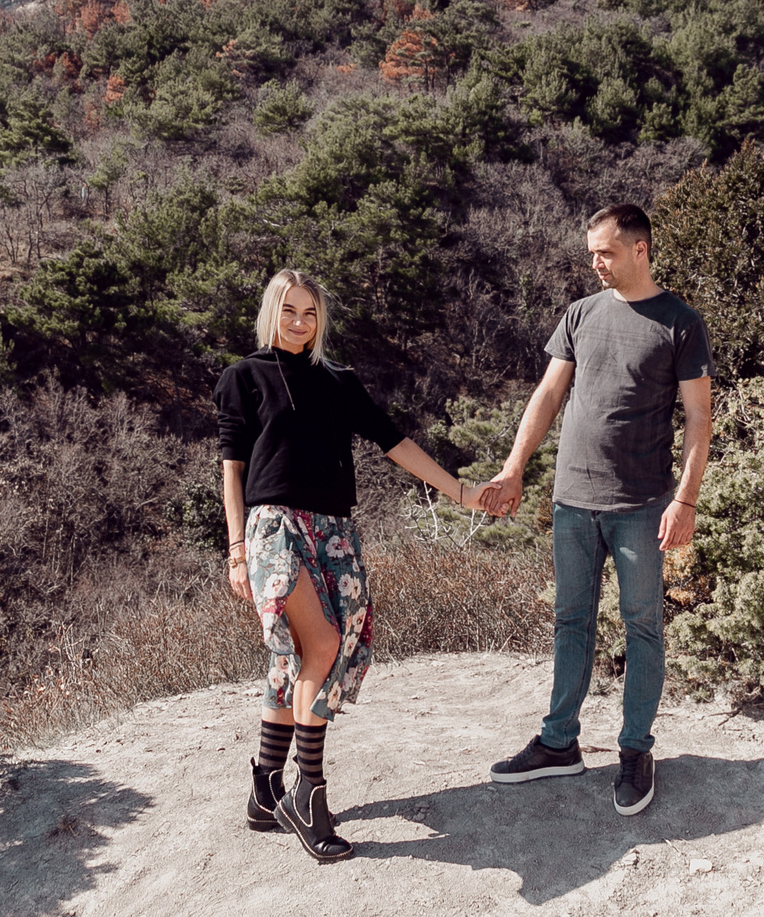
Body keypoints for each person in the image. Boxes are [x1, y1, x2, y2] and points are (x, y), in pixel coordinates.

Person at [216, 268, 476, 864]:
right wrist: (235, 550)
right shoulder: (243, 377)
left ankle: (264, 789)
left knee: (299, 656)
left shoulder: (338, 381)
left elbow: (394, 441)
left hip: (334, 531)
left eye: (310, 313)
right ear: (271, 313)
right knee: (324, 643)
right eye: (289, 311)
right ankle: (309, 795)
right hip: (274, 526)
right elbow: (232, 470)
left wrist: (459, 492)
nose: (300, 323)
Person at [475, 203, 711, 817]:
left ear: (640, 249)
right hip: (572, 501)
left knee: (642, 627)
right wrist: (514, 465)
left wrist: (685, 499)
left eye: (604, 252)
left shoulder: (679, 323)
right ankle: (559, 743)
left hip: (640, 504)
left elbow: (698, 420)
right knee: (570, 620)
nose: (595, 263)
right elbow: (549, 393)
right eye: (592, 253)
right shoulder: (580, 314)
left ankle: (635, 751)